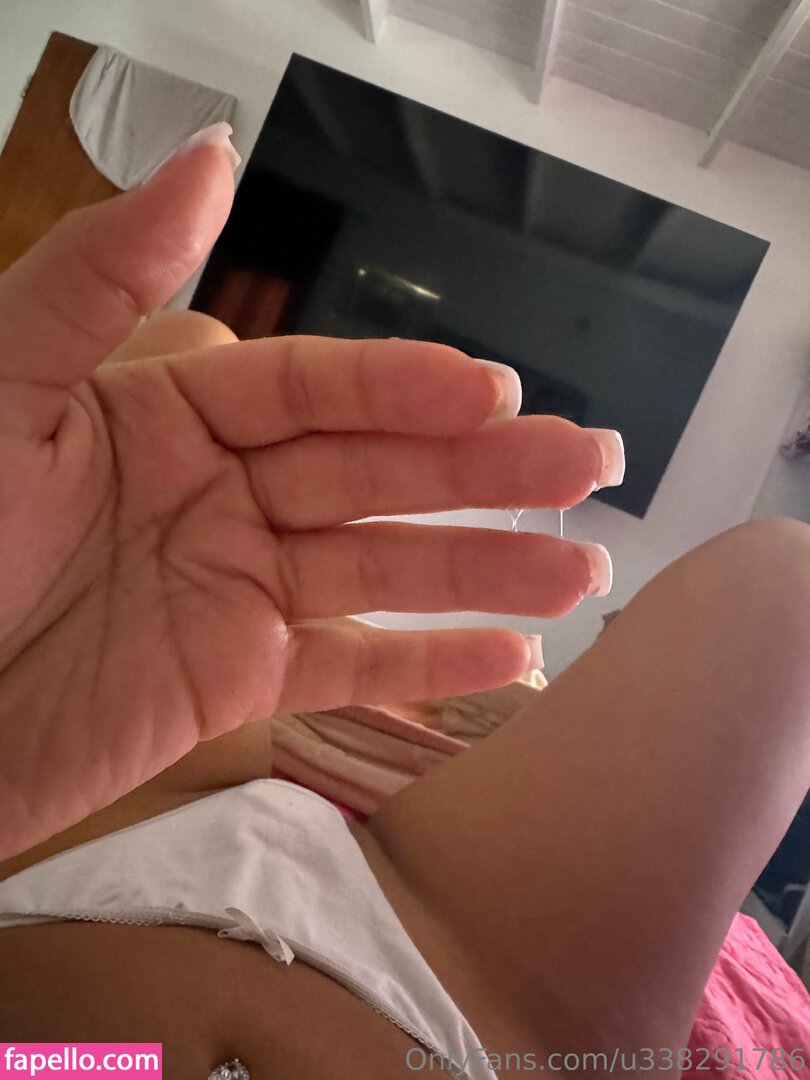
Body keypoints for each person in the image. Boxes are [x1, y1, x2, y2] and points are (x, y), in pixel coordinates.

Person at [0, 122, 808, 1079]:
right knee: (784, 589)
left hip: (73, 863)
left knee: (189, 348)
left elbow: (68, 1064)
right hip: (474, 1004)